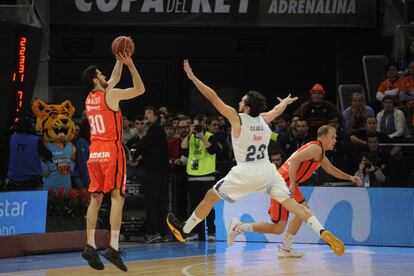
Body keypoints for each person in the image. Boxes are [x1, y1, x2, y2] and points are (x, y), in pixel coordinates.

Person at [167, 59, 346, 257]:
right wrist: (285, 103)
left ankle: (185, 229)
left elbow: (213, 97)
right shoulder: (263, 119)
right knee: (294, 205)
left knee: (210, 196)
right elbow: (276, 111)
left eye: (242, 101)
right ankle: (321, 230)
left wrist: (193, 78)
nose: (239, 102)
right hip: (267, 172)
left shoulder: (237, 118)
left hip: (244, 172)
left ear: (248, 107)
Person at [227, 125, 363, 258]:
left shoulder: (319, 152)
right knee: (300, 212)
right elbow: (294, 161)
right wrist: (292, 183)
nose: (335, 140)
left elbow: (331, 170)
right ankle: (307, 238)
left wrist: (350, 177)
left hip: (285, 182)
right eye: (332, 137)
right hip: (281, 182)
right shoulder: (315, 148)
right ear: (323, 137)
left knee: (280, 226)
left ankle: (242, 228)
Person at [80, 51, 145, 272]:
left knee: (95, 200)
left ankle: (89, 245)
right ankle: (113, 248)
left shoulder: (90, 98)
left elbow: (112, 81)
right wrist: (130, 63)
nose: (105, 74)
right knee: (118, 198)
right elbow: (140, 89)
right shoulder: (112, 95)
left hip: (94, 151)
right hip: (111, 149)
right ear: (96, 80)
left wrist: (119, 57)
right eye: (101, 73)